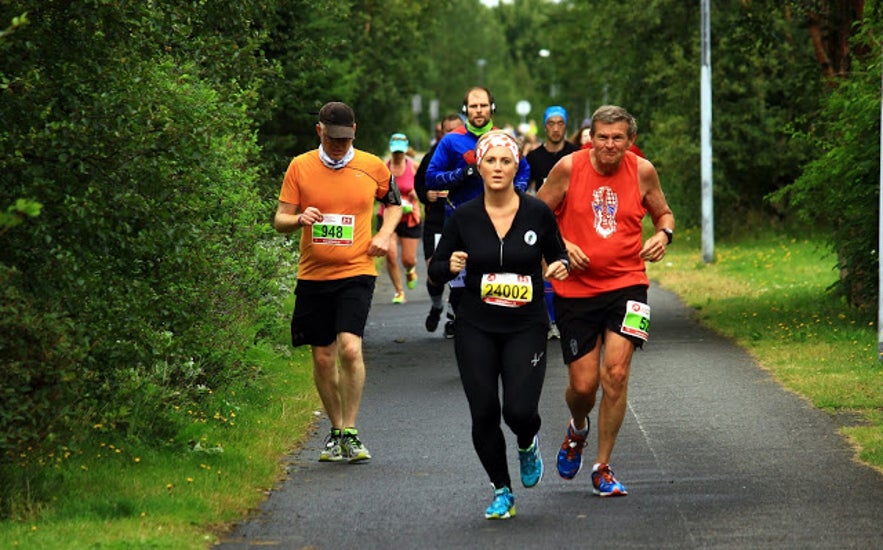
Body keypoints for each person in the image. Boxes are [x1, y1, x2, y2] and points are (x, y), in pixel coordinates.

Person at [428, 131, 570, 520]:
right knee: (485, 410)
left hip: (526, 324)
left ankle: (527, 442)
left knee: (520, 411)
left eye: (506, 161)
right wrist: (449, 265)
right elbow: (436, 270)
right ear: (479, 165)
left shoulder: (537, 212)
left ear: (516, 167)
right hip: (476, 324)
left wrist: (560, 266)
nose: (497, 168)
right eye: (491, 161)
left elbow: (559, 255)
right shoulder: (464, 216)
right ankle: (501, 489)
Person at [536, 105, 674, 497]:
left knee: (615, 374)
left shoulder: (643, 171)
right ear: (590, 138)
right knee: (584, 386)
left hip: (628, 285)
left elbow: (664, 214)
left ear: (630, 141)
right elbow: (537, 217)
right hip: (576, 290)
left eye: (618, 138)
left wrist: (663, 235)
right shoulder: (568, 168)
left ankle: (603, 466)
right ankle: (578, 426)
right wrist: (562, 246)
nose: (609, 145)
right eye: (602, 137)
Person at [274, 101, 403, 463]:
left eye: (345, 139)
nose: (338, 145)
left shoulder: (372, 166)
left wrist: (385, 234)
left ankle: (350, 429)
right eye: (332, 138)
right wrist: (299, 219)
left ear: (354, 133)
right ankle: (334, 432)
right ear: (319, 131)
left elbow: (394, 204)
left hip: (356, 271)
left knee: (349, 347)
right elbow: (279, 219)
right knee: (322, 356)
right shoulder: (300, 167)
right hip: (313, 275)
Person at [425, 87, 531, 338]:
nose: (479, 111)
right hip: (461, 224)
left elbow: (524, 170)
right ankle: (468, 339)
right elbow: (431, 178)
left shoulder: (504, 139)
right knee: (463, 291)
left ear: (492, 108)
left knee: (498, 283)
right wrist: (461, 174)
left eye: (483, 105)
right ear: (466, 110)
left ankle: (503, 335)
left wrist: (517, 189)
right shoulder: (451, 141)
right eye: (473, 106)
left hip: (500, 223)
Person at [527, 106, 580, 341]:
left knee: (575, 268)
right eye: (551, 123)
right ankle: (551, 321)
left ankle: (575, 317)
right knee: (548, 269)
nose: (556, 128)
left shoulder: (576, 154)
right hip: (546, 220)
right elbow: (523, 186)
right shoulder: (535, 157)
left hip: (574, 218)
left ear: (566, 126)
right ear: (545, 126)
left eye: (560, 123)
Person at [414, 113, 464, 332]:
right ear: (441, 133)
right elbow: (419, 186)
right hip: (436, 222)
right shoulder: (432, 156)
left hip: (461, 221)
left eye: (456, 130)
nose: (452, 135)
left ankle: (454, 317)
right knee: (436, 273)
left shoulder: (468, 156)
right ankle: (436, 306)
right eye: (447, 131)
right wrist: (428, 195)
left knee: (459, 274)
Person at [381, 132, 422, 304]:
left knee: (408, 259)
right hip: (388, 215)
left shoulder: (414, 167)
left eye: (401, 152)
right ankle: (399, 292)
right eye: (395, 152)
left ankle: (410, 269)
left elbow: (425, 190)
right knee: (390, 254)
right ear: (391, 150)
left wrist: (415, 194)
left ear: (405, 151)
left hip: (409, 217)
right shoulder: (383, 167)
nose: (398, 155)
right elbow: (376, 192)